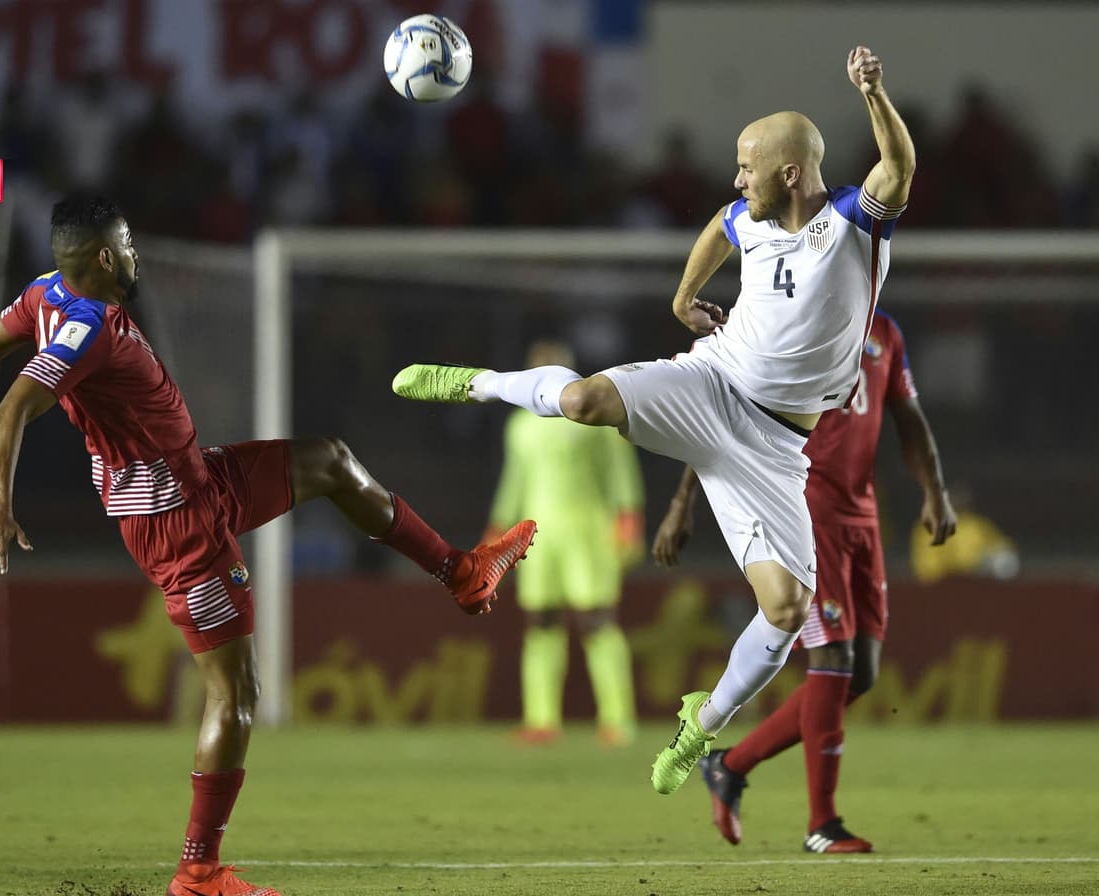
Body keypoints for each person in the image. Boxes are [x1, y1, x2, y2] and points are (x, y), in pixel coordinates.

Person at [0, 195, 537, 896]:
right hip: (178, 522)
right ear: (103, 256)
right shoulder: (86, 326)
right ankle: (198, 874)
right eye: (128, 244)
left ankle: (461, 572)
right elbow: (12, 406)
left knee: (330, 460)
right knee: (237, 693)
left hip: (199, 478)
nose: (135, 254)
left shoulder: (45, 293)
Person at [391, 45, 914, 798]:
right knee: (582, 402)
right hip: (711, 383)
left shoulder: (850, 225)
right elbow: (720, 226)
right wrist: (683, 296)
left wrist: (872, 92)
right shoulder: (751, 218)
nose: (737, 180)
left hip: (776, 447)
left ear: (791, 173)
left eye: (748, 167)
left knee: (786, 610)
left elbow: (898, 167)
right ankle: (477, 384)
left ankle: (703, 722)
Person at [653, 309, 957, 853]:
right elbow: (723, 412)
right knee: (833, 659)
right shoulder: (793, 316)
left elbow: (908, 416)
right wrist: (682, 503)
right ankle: (822, 823)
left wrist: (935, 491)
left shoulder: (886, 333)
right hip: (802, 510)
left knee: (860, 674)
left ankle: (730, 764)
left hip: (861, 515)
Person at [486, 339, 645, 747]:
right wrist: (497, 529)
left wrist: (628, 518)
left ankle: (617, 719)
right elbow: (515, 482)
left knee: (597, 619)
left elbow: (618, 471)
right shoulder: (520, 426)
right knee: (540, 620)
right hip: (537, 534)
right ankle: (541, 718)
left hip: (588, 529)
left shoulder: (590, 416)